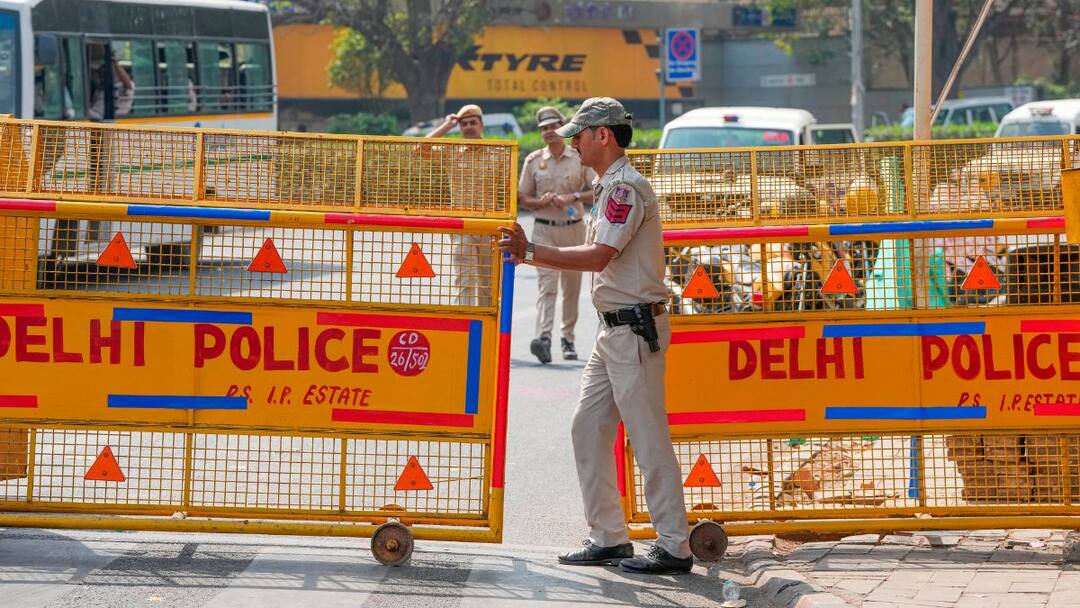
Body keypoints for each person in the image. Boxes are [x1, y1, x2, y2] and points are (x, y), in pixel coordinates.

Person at [498, 97, 693, 575]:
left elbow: (599, 255)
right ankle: (609, 537)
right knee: (587, 429)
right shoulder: (609, 186)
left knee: (648, 441)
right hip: (615, 333)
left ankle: (675, 546)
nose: (572, 142)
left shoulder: (625, 188)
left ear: (602, 135)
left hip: (632, 330)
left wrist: (530, 252)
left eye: (579, 134)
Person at [518, 106, 596, 363]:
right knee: (546, 285)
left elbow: (597, 190)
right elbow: (522, 197)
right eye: (543, 128)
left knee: (571, 288)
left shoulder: (580, 158)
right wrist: (540, 202)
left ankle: (568, 338)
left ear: (562, 128)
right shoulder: (533, 161)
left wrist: (572, 196)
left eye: (553, 126)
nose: (549, 131)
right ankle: (543, 338)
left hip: (573, 229)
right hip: (543, 229)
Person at [426, 104, 501, 307]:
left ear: (482, 125)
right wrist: (446, 126)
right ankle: (466, 327)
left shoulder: (499, 154)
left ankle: (486, 329)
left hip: (490, 228)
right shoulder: (452, 153)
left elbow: (507, 194)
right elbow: (420, 148)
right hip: (462, 226)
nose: (468, 127)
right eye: (464, 124)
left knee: (489, 283)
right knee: (465, 281)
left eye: (473, 122)